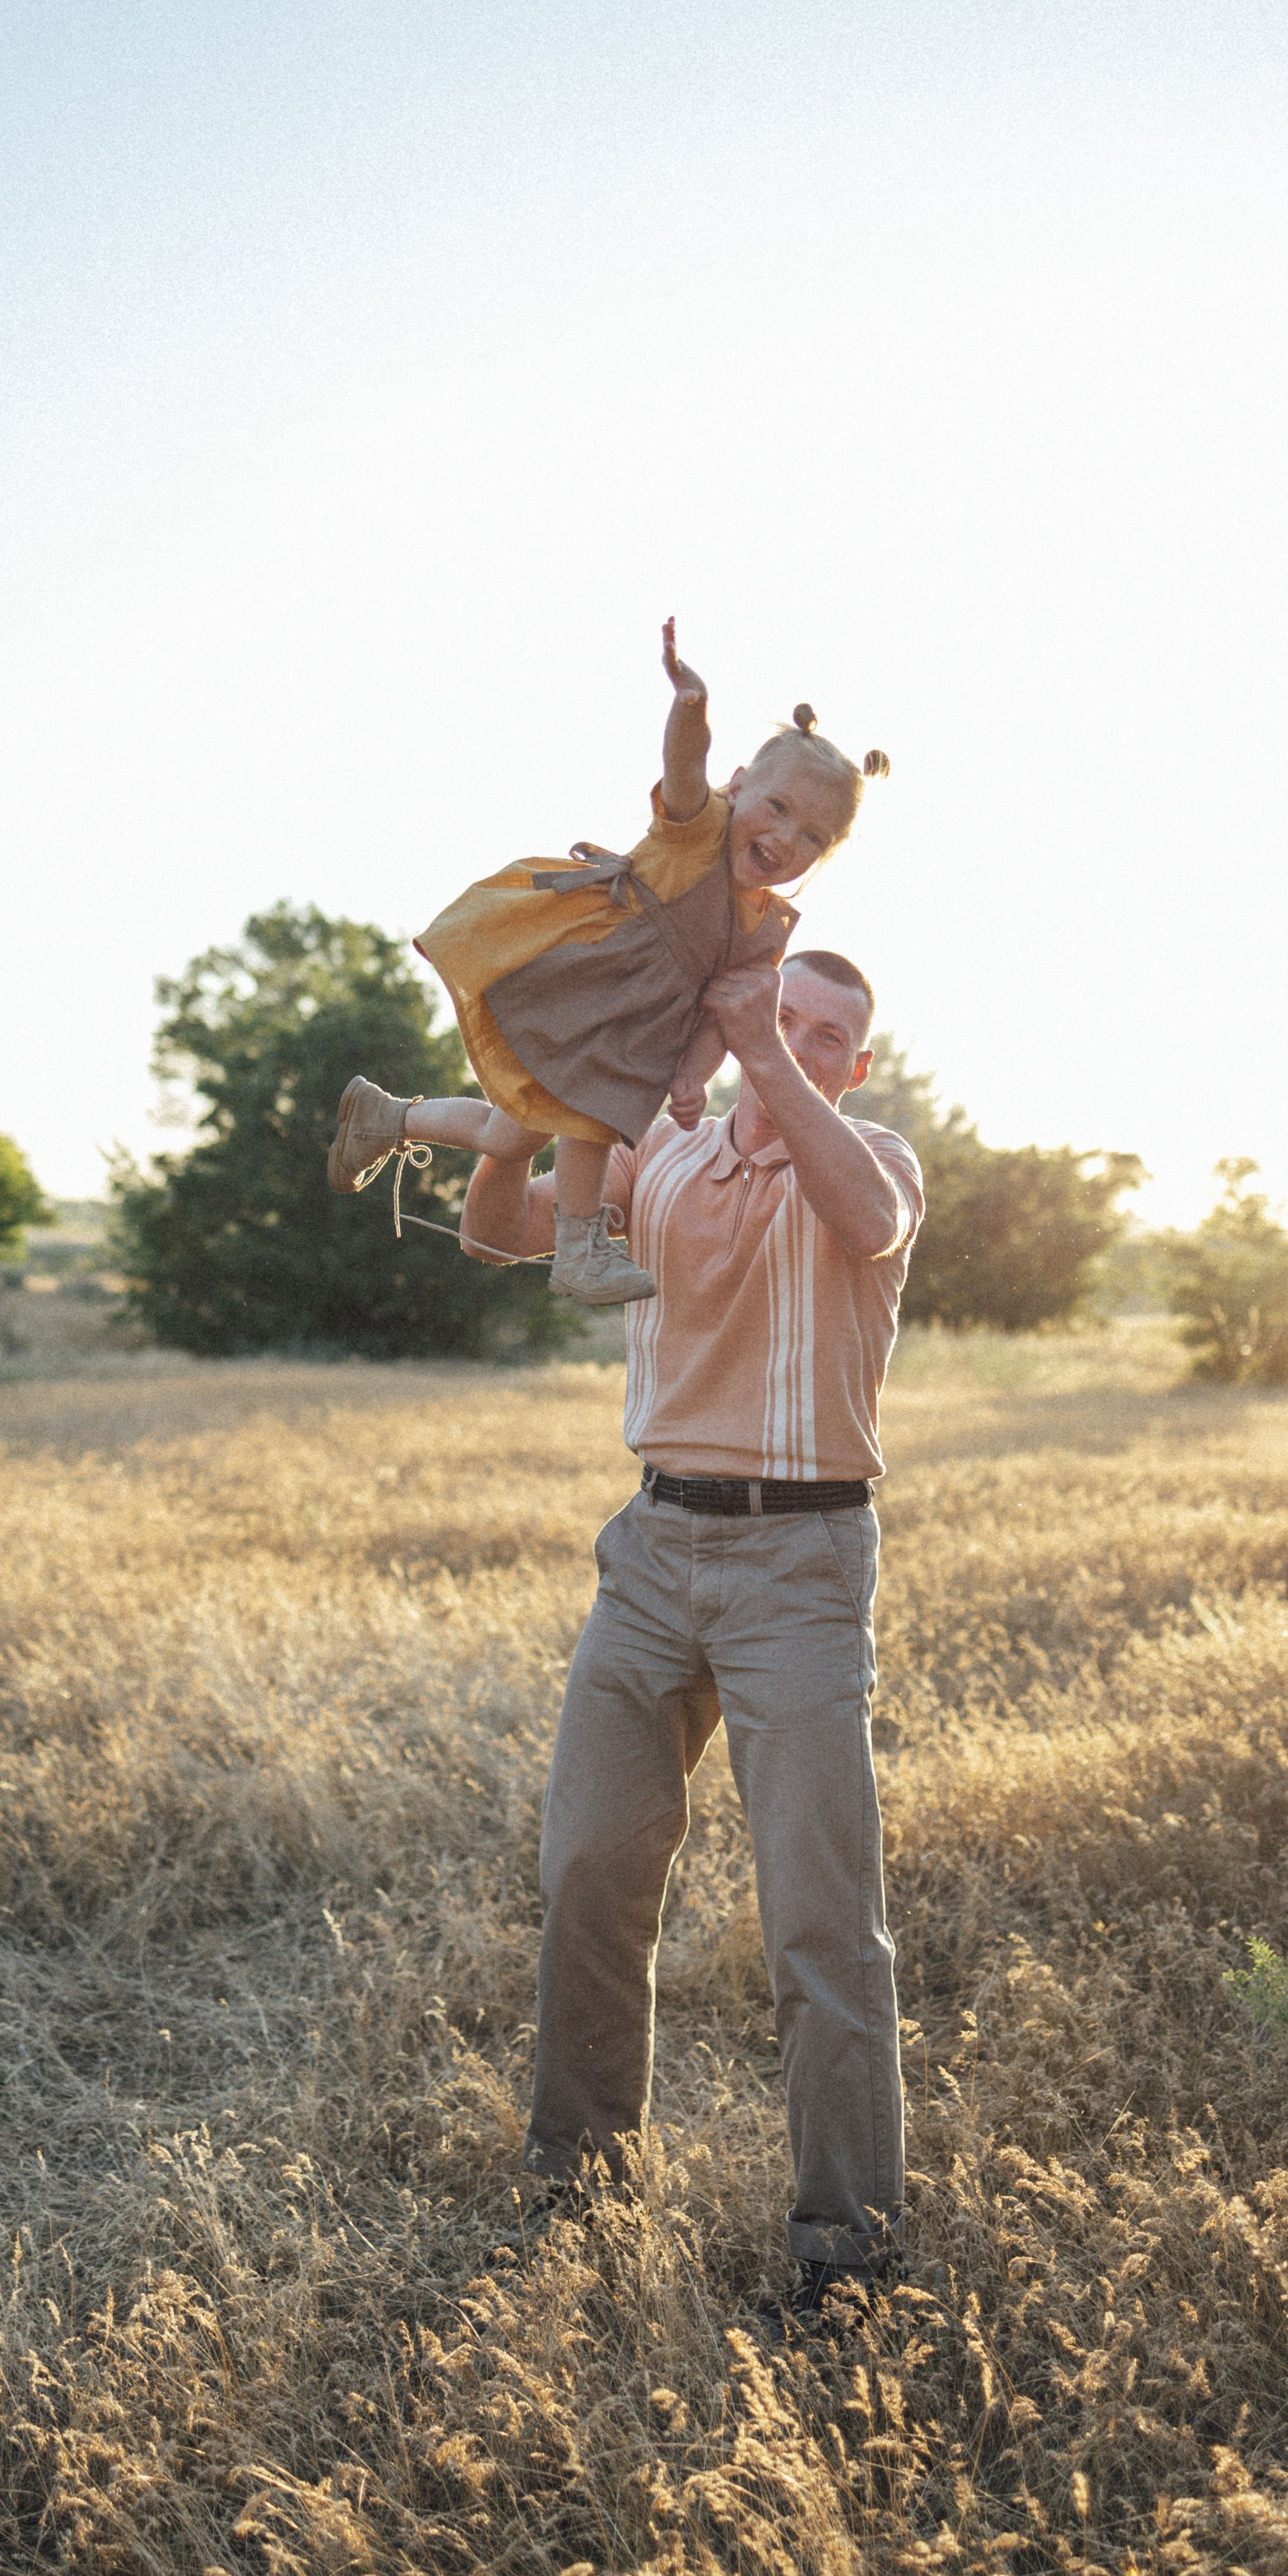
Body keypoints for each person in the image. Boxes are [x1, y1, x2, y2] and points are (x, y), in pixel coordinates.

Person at [460, 945, 924, 2322]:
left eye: (830, 1033)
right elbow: (503, 1231)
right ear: (732, 1029)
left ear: (857, 1062)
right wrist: (502, 1141)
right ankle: (577, 2187)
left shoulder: (876, 1158)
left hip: (802, 1558)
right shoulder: (655, 1151)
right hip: (653, 1550)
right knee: (592, 1867)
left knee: (821, 1919)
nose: (803, 1041)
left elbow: (875, 1225)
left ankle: (848, 2251)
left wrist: (764, 1056)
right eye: (785, 1015)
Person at [325, 619, 889, 1307]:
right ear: (738, 786)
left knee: (507, 1132)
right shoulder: (697, 836)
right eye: (776, 807)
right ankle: (580, 1246)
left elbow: (721, 1017)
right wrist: (691, 709)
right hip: (594, 992)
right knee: (592, 1114)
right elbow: (685, 771)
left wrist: (690, 1074)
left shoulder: (766, 929)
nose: (783, 838)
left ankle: (386, 1118)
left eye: (813, 836)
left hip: (641, 1036)